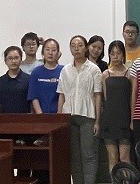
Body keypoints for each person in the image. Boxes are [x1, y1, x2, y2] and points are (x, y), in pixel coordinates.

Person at [57, 35, 103, 184]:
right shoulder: (65, 70)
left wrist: (97, 121)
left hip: (88, 117)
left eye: (80, 45)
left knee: (88, 155)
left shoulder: (94, 69)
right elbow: (61, 95)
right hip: (69, 117)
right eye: (73, 45)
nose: (76, 48)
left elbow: (97, 95)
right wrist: (59, 117)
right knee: (74, 156)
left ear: (86, 47)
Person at [100, 40, 132, 174]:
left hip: (124, 118)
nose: (115, 56)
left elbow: (132, 98)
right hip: (109, 119)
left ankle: (127, 181)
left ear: (123, 54)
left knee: (124, 157)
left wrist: (132, 120)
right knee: (112, 157)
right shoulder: (105, 74)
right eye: (112, 53)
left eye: (118, 53)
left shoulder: (129, 73)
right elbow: (104, 98)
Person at [0, 45, 31, 113]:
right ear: (5, 61)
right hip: (4, 119)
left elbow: (32, 103)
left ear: (21, 60)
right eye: (10, 58)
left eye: (16, 58)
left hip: (24, 119)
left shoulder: (29, 80)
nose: (13, 61)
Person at [28, 38, 63, 114]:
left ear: (58, 53)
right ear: (43, 52)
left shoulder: (63, 71)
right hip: (40, 115)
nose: (50, 53)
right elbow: (33, 96)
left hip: (60, 114)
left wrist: (59, 113)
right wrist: (40, 115)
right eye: (47, 50)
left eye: (53, 50)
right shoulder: (36, 72)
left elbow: (63, 94)